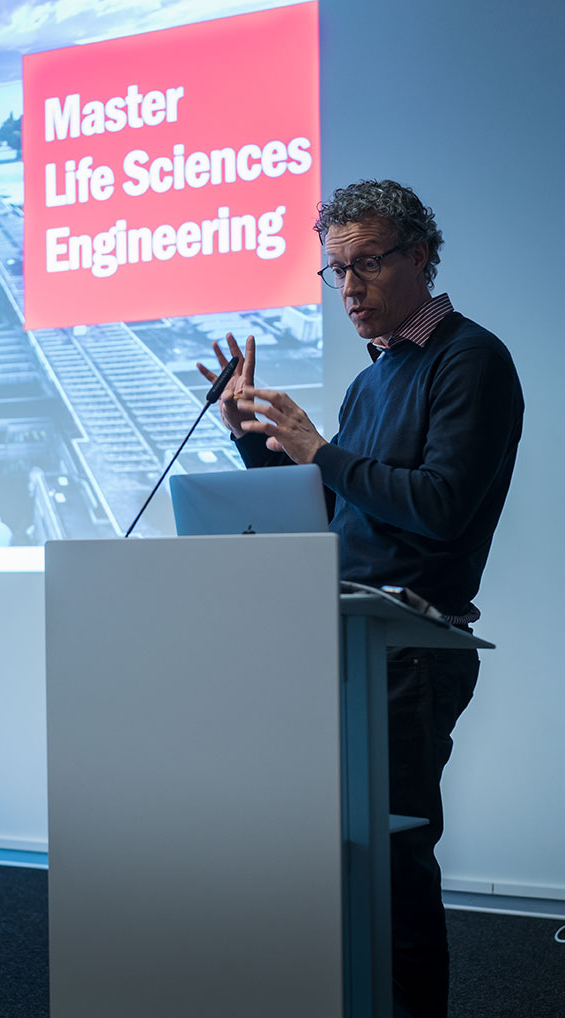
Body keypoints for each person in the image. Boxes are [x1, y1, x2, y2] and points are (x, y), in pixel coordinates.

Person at [197, 179, 524, 1018]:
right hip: (344, 643)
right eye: (335, 270)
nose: (348, 287)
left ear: (420, 256)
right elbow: (339, 512)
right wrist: (257, 445)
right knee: (338, 861)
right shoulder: (372, 380)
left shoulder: (470, 359)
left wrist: (321, 450)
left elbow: (440, 506)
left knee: (393, 866)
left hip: (409, 650)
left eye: (367, 263)